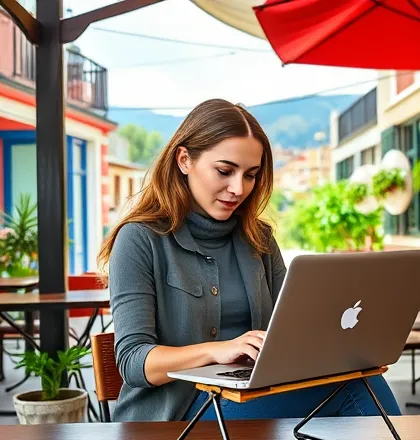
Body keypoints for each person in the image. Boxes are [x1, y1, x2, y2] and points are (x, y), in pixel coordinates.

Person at [97, 99, 401, 422]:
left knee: (361, 380)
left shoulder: (259, 239)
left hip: (252, 398)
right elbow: (133, 361)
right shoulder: (139, 240)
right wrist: (218, 350)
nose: (238, 188)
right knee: (356, 391)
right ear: (184, 160)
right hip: (174, 419)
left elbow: (291, 327)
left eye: (251, 175)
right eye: (225, 171)